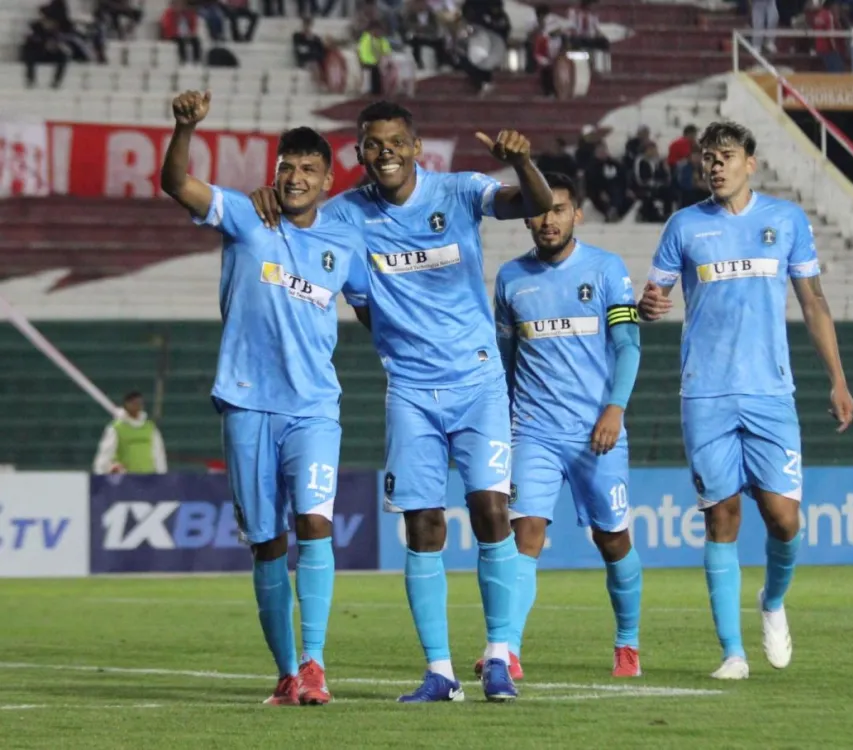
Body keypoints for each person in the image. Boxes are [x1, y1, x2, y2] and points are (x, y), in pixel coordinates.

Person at [249, 100, 554, 703]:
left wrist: (523, 162)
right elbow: (301, 224)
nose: (385, 151)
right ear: (359, 153)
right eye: (372, 143)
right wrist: (269, 200)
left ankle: (499, 656)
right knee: (423, 524)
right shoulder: (347, 214)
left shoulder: (459, 191)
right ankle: (440, 671)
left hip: (477, 382)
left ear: (417, 147)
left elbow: (534, 203)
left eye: (395, 141)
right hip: (411, 390)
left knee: (492, 509)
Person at [160, 90, 370, 706]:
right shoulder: (245, 215)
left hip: (315, 407)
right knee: (268, 542)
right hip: (247, 402)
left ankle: (314, 663)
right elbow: (176, 183)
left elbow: (372, 308)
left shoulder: (343, 244)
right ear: (274, 172)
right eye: (287, 167)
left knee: (315, 525)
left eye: (308, 169)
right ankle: (285, 672)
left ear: (328, 181)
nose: (296, 177)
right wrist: (184, 128)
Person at [637, 120, 853, 680]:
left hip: (770, 392)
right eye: (708, 158)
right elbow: (652, 297)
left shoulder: (786, 220)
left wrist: (837, 379)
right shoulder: (684, 226)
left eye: (726, 156)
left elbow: (813, 302)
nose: (715, 166)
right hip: (705, 392)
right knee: (722, 517)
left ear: (750, 163)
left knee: (784, 519)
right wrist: (647, 308)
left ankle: (773, 601)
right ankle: (732, 653)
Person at [476, 172, 643, 682]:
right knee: (524, 533)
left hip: (597, 432)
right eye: (540, 210)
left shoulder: (607, 269)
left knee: (612, 539)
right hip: (533, 431)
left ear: (577, 214)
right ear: (526, 217)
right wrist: (499, 423)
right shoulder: (511, 278)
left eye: (559, 209)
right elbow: (505, 360)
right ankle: (507, 649)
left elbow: (627, 346)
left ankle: (628, 642)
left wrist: (614, 409)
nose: (549, 220)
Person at [92, 391, 168, 475]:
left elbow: (158, 453)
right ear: (126, 405)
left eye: (139, 403)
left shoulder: (150, 428)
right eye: (134, 403)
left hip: (148, 477)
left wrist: (162, 475)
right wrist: (100, 474)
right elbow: (106, 452)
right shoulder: (116, 428)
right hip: (126, 477)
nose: (137, 406)